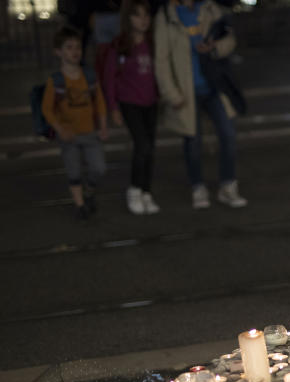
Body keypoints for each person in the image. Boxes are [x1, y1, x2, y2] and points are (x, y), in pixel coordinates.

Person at [154, 0, 248, 209]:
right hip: (186, 90)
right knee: (192, 140)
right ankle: (197, 187)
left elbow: (229, 40)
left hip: (214, 86)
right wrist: (172, 94)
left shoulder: (209, 8)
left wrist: (214, 47)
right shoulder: (167, 16)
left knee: (228, 134)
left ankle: (228, 185)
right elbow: (161, 59)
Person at [42, 26, 109, 220]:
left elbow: (100, 102)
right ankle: (80, 205)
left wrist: (103, 125)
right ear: (58, 52)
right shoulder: (55, 81)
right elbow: (47, 109)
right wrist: (59, 129)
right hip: (68, 134)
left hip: (89, 132)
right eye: (69, 47)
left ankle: (89, 190)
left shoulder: (88, 77)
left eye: (77, 47)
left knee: (99, 167)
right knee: (73, 169)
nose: (75, 52)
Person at [103, 0, 160, 215]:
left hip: (150, 102)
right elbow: (109, 79)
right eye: (137, 15)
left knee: (150, 148)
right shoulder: (120, 45)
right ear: (128, 18)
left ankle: (146, 191)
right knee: (142, 145)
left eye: (146, 15)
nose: (143, 20)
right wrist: (113, 107)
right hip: (130, 103)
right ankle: (135, 189)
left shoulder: (153, 42)